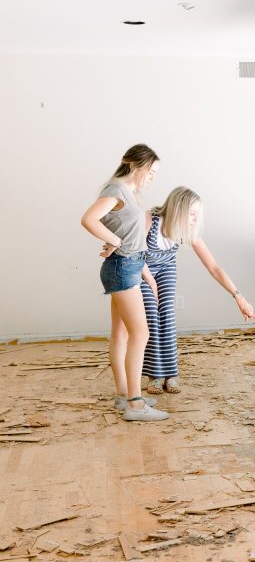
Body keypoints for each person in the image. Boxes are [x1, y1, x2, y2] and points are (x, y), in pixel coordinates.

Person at [80, 144, 169, 422]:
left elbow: (129, 237)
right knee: (140, 334)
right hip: (122, 268)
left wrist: (146, 273)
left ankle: (123, 395)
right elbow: (88, 219)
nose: (153, 177)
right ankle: (135, 404)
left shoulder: (127, 192)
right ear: (135, 164)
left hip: (126, 266)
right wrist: (116, 242)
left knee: (122, 334)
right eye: (151, 171)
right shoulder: (116, 189)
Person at [141, 186, 255, 393]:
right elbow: (134, 253)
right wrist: (151, 283)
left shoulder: (186, 231)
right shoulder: (150, 221)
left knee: (167, 313)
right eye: (192, 214)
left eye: (198, 214)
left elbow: (214, 267)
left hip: (166, 268)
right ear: (179, 209)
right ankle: (154, 375)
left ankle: (171, 374)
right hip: (142, 269)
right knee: (152, 313)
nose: (195, 219)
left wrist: (238, 296)